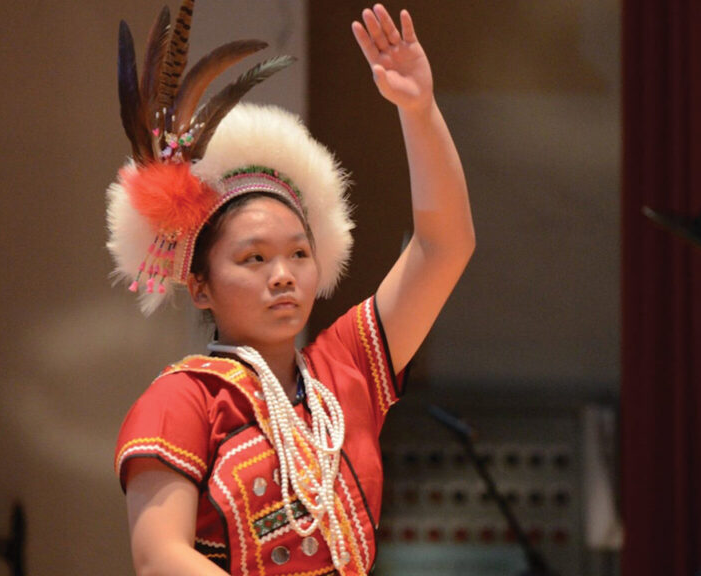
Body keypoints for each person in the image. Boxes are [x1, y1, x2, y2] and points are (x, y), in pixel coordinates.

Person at [107, 3, 473, 575]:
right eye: (253, 258)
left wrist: (419, 111)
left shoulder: (344, 373)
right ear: (199, 286)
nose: (282, 274)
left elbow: (444, 247)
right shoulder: (182, 401)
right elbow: (160, 558)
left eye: (298, 253)